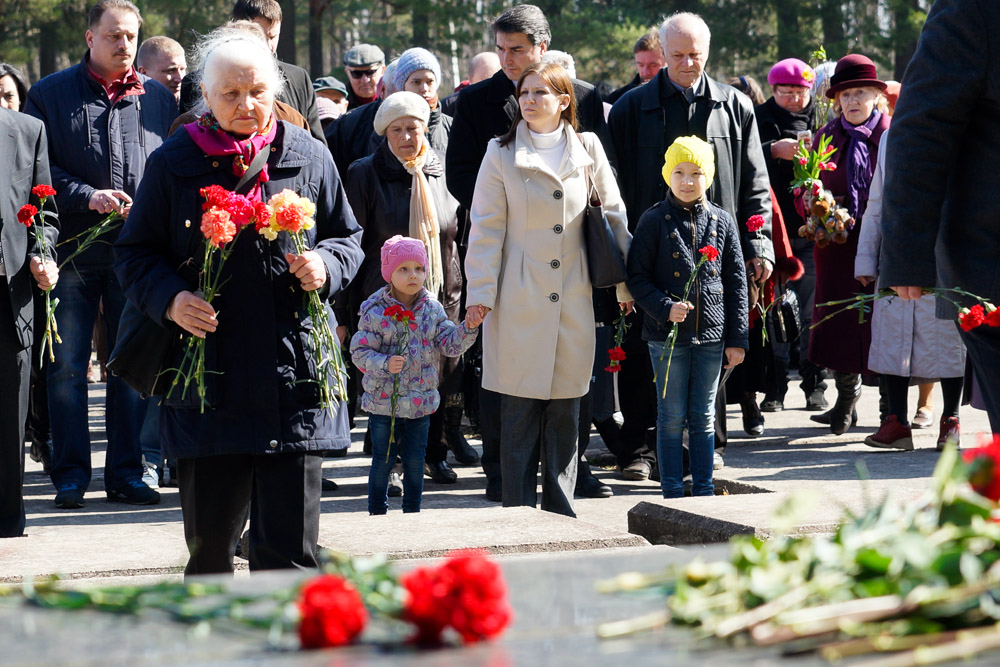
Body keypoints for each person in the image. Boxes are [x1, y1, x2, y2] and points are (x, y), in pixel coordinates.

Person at [114, 26, 363, 575]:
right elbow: (133, 255)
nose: (246, 105)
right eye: (230, 94)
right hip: (209, 386)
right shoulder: (174, 162)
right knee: (209, 561)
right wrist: (172, 299)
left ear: (274, 89)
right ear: (206, 94)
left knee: (290, 561)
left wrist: (328, 264)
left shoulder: (309, 155)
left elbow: (349, 237)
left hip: (293, 380)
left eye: (256, 91)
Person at [447, 3, 616, 502]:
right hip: (516, 285)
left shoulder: (587, 127)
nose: (507, 62)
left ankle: (564, 498)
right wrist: (480, 291)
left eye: (516, 50)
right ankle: (511, 500)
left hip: (575, 284)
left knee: (568, 400)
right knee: (516, 405)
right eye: (499, 50)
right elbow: (483, 218)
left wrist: (625, 283)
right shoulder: (490, 131)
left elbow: (612, 212)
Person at [25, 0, 176, 509]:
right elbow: (37, 172)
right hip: (70, 251)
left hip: (137, 254)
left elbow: (168, 169)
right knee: (67, 367)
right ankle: (70, 476)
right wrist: (86, 195)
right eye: (113, 35)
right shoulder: (49, 94)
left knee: (130, 366)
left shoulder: (156, 97)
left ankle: (128, 474)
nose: (124, 44)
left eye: (131, 36)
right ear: (90, 38)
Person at [608, 11, 773, 477]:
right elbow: (612, 186)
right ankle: (639, 450)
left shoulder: (735, 105)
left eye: (695, 56)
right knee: (648, 349)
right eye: (676, 55)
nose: (686, 64)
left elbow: (755, 184)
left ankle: (706, 445)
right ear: (661, 52)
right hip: (651, 251)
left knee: (708, 344)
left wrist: (758, 243)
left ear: (708, 52)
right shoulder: (629, 108)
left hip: (714, 251)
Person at [346, 91, 476, 486]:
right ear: (385, 134)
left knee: (437, 376)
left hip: (441, 292)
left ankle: (433, 454)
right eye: (397, 130)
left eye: (414, 129)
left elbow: (462, 231)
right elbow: (352, 243)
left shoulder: (443, 170)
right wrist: (344, 312)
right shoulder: (365, 173)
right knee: (395, 378)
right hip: (386, 299)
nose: (407, 137)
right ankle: (390, 463)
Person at [627, 136, 747, 497]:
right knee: (670, 416)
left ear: (707, 176)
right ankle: (672, 488)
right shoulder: (653, 221)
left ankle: (705, 487)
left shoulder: (722, 222)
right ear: (668, 175)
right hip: (666, 338)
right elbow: (637, 277)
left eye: (696, 172)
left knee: (703, 417)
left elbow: (737, 281)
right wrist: (665, 308)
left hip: (712, 336)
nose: (687, 180)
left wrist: (738, 339)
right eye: (679, 172)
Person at [855, 126, 966, 451]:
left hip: (946, 247)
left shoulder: (962, 130)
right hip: (898, 246)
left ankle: (951, 419)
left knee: (948, 335)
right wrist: (866, 257)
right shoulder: (894, 135)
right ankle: (896, 422)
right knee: (893, 335)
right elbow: (877, 199)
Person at [352, 236, 481, 515]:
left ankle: (413, 512)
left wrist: (468, 328)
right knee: (383, 460)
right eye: (403, 269)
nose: (413, 275)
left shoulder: (432, 309)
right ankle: (377, 511)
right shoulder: (374, 310)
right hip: (384, 402)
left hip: (421, 401)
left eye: (419, 269)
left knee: (414, 460)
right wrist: (385, 363)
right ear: (389, 273)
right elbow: (359, 351)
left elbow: (450, 343)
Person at [807, 54, 891, 435]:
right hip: (835, 244)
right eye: (846, 94)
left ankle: (892, 410)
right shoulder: (825, 138)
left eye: (862, 92)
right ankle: (845, 398)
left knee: (885, 323)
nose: (854, 100)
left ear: (877, 95)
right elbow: (803, 187)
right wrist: (813, 203)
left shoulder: (894, 134)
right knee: (839, 322)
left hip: (882, 244)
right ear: (836, 100)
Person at [754, 57, 826, 412]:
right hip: (774, 229)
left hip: (814, 229)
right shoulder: (759, 117)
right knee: (777, 310)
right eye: (787, 92)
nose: (795, 98)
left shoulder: (822, 120)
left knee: (813, 311)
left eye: (801, 91)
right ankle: (776, 386)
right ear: (773, 90)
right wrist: (772, 151)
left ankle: (815, 382)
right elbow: (744, 162)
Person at [0, 108, 59, 537]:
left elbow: (45, 216)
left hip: (10, 292)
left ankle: (6, 516)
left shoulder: (26, 130)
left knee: (9, 409)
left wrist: (44, 256)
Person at [178, 0, 326, 147]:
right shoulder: (195, 81)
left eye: (273, 37)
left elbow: (316, 147)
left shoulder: (298, 78)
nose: (267, 46)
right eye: (231, 93)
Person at [606, 29, 665, 105]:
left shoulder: (681, 96)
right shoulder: (617, 99)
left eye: (652, 65)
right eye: (640, 65)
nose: (645, 72)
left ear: (667, 61)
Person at [440, 52, 501, 116]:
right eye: (484, 81)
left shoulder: (508, 103)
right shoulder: (449, 106)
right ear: (469, 79)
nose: (490, 87)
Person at [136, 35, 187, 102]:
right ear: (143, 73)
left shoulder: (197, 110)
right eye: (171, 70)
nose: (180, 79)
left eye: (182, 69)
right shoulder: (129, 109)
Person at [343, 43, 385, 110]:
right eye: (357, 73)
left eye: (370, 72)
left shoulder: (393, 99)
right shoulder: (338, 103)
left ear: (383, 70)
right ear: (347, 72)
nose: (365, 80)